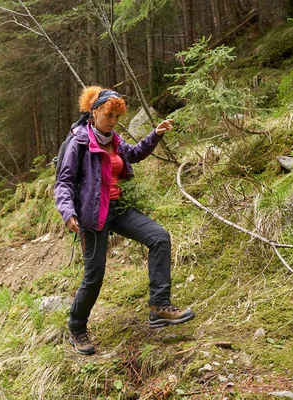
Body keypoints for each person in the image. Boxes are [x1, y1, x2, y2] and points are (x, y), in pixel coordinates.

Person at [54, 86, 194, 355]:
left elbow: (134, 154)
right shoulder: (79, 141)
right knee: (94, 275)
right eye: (109, 115)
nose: (113, 121)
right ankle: (77, 326)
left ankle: (159, 307)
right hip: (92, 218)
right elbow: (64, 182)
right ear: (94, 112)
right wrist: (68, 212)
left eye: (117, 116)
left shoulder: (113, 138)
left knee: (159, 237)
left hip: (116, 209)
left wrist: (155, 135)